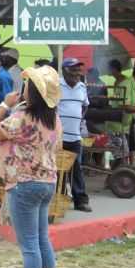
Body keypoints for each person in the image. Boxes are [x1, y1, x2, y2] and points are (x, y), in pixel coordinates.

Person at [0, 65, 62, 268]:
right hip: (47, 182)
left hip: (24, 185)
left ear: (32, 91)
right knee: (42, 240)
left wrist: (5, 105)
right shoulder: (54, 119)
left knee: (29, 245)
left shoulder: (20, 118)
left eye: (27, 84)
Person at [59, 58, 92, 213]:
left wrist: (78, 120)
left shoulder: (82, 87)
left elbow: (85, 106)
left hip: (75, 136)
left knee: (76, 168)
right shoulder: (57, 85)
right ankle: (58, 198)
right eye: (74, 69)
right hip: (58, 137)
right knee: (57, 168)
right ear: (65, 70)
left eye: (79, 70)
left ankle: (81, 201)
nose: (77, 73)